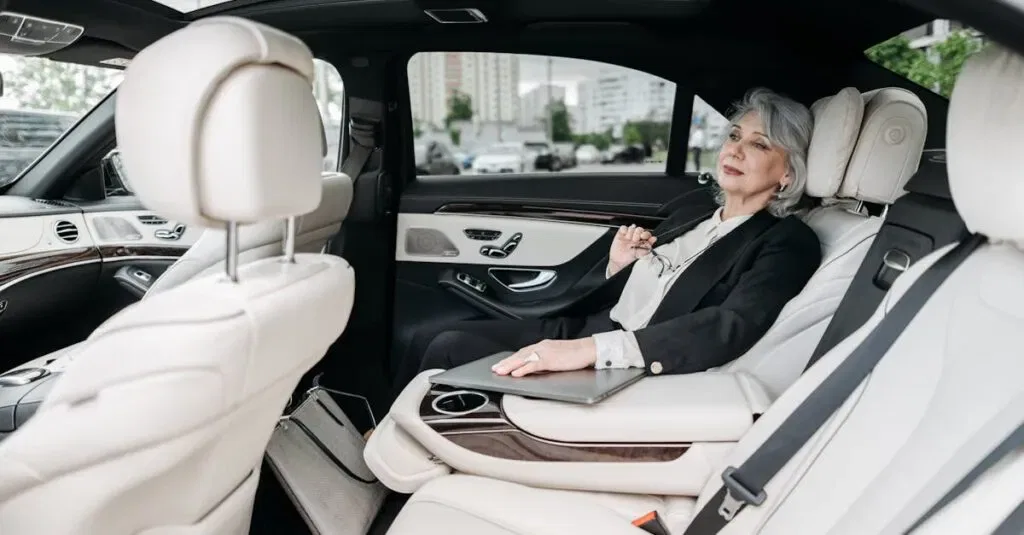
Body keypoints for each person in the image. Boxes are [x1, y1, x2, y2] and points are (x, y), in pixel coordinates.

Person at [390, 87, 822, 398]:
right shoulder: (694, 212)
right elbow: (649, 292)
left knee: (449, 346)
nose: (735, 150)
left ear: (787, 173)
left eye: (759, 144)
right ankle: (388, 439)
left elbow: (730, 325)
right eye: (734, 136)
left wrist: (588, 351)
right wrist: (620, 267)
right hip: (592, 326)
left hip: (624, 359)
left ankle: (396, 457)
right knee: (431, 335)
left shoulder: (786, 241)